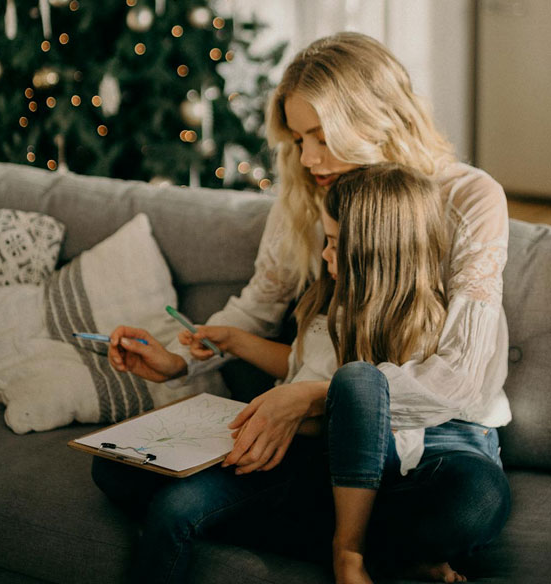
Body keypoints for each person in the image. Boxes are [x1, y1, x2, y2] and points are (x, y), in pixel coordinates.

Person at [93, 31, 512, 583]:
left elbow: (461, 378)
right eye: (297, 140)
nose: (309, 159)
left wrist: (315, 399)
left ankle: (354, 536)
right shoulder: (312, 195)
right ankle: (378, 544)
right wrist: (180, 359)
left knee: (471, 505)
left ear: (378, 118)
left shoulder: (469, 198)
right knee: (119, 470)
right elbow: (257, 307)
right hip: (323, 445)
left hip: (440, 437)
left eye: (322, 136)